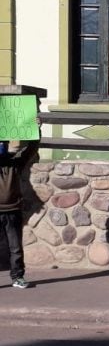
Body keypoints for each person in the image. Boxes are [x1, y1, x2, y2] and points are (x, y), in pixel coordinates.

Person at [0, 120, 41, 289]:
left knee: (15, 247)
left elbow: (30, 149)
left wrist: (36, 130)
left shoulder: (15, 163)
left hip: (13, 209)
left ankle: (18, 277)